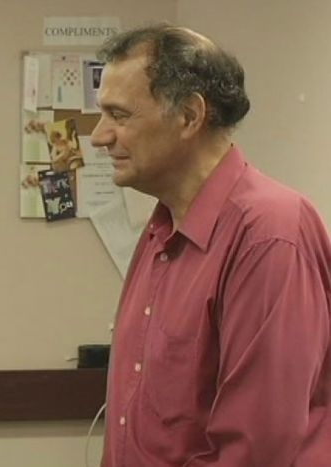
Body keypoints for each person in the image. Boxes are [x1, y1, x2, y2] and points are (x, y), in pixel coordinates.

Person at [91, 24, 331, 467]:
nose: (99, 136)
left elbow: (257, 447)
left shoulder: (269, 233)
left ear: (189, 116)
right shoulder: (161, 229)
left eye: (119, 115)